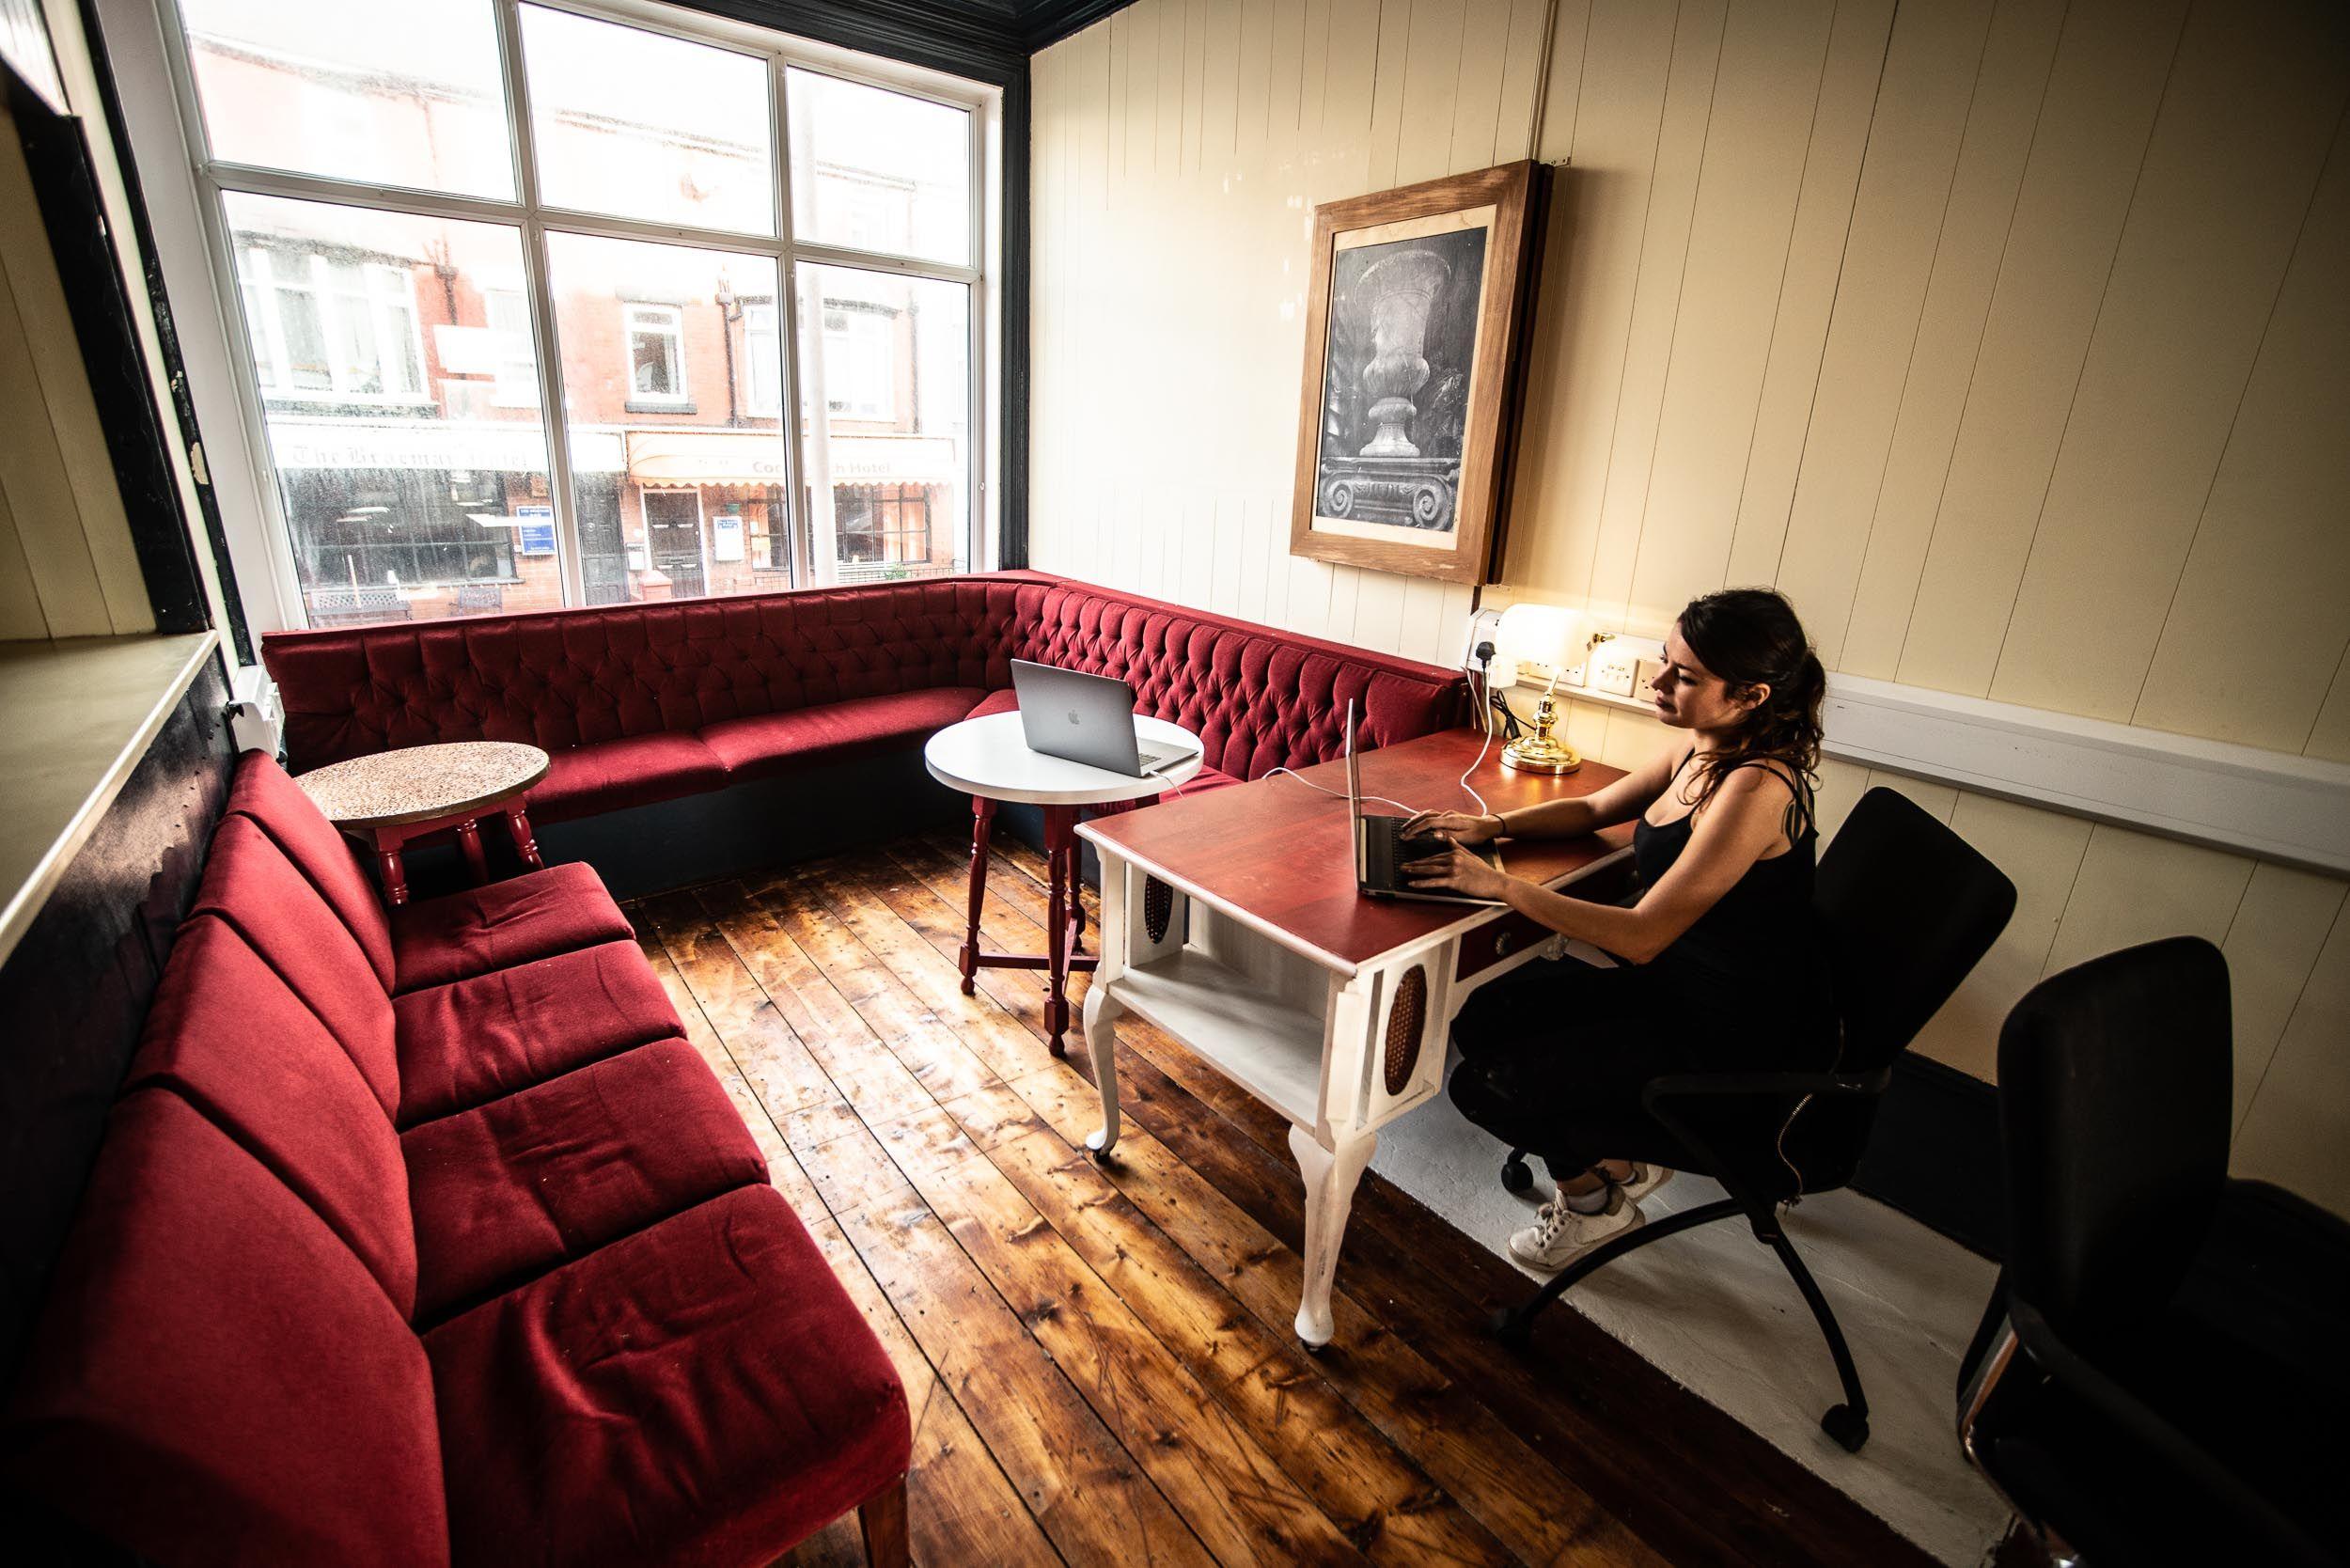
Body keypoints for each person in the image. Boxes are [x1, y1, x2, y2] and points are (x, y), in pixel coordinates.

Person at [1401, 587, 1834, 1271]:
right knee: (1485, 1013)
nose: (1658, 682)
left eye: (1684, 676)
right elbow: (1594, 808)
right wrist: (1493, 826)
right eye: (1665, 661)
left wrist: (1501, 886)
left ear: (1750, 696)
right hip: (1670, 992)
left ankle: (1596, 1204)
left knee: (1483, 1086)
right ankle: (1621, 1165)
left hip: (1723, 1035)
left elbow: (1641, 935)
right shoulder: (1702, 749)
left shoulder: (1756, 788)